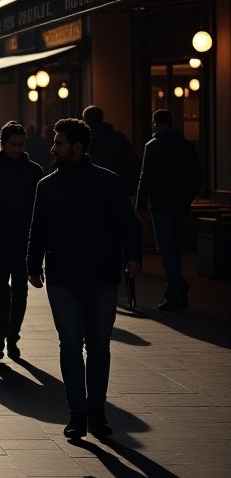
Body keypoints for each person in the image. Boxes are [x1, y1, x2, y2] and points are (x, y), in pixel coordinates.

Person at [28, 118, 142, 440]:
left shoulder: (108, 182)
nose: (53, 148)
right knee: (70, 345)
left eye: (59, 143)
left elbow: (127, 223)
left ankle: (97, 412)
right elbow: (38, 229)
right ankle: (77, 413)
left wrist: (133, 257)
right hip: (63, 279)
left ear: (77, 148)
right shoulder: (46, 186)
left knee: (99, 347)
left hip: (102, 278)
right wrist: (32, 264)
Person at [0, 122, 44, 359]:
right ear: (2, 143)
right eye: (13, 144)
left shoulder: (33, 171)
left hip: (23, 244)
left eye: (21, 145)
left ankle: (12, 336)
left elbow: (39, 213)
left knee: (20, 294)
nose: (17, 149)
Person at [134, 109, 202, 312]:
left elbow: (146, 177)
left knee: (165, 248)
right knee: (177, 249)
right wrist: (188, 196)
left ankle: (176, 288)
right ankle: (176, 290)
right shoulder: (186, 145)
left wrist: (140, 204)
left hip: (160, 204)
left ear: (156, 123)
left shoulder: (153, 146)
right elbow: (198, 174)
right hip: (181, 204)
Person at [82, 106, 140, 197]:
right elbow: (134, 163)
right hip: (119, 188)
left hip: (93, 191)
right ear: (101, 118)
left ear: (85, 120)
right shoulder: (119, 138)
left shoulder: (83, 141)